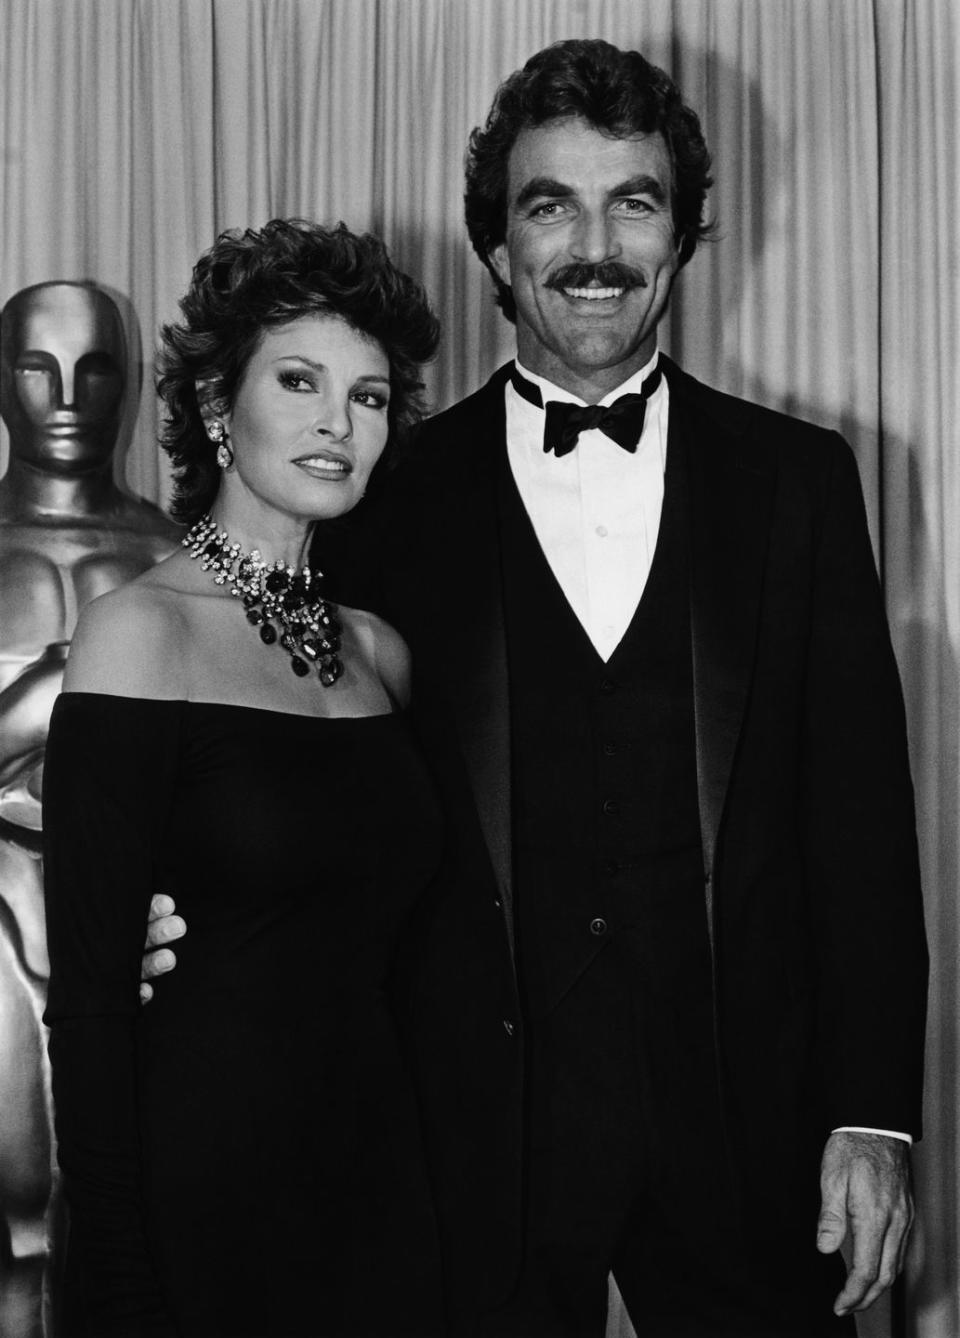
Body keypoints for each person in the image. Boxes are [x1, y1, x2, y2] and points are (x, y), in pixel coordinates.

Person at [145, 40, 929, 1338]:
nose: (595, 244)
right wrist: (156, 893)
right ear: (498, 249)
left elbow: (859, 826)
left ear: (683, 237)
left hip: (750, 1148)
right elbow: (245, 696)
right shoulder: (386, 489)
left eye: (635, 200)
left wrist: (874, 1111)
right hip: (464, 1154)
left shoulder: (802, 482)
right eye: (549, 203)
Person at [42, 219, 443, 1337]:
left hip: (383, 1193)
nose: (337, 423)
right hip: (201, 1203)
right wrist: (118, 1281)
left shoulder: (380, 653)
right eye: (302, 381)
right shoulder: (137, 634)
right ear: (220, 404)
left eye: (370, 397)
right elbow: (87, 1006)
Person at [0, 280, 178, 1338]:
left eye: (96, 366)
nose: (67, 394)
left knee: (141, 1225)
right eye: (37, 365)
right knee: (17, 1218)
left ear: (135, 381)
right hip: (3, 914)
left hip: (143, 922)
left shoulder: (177, 555)